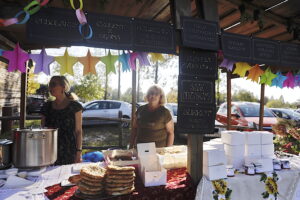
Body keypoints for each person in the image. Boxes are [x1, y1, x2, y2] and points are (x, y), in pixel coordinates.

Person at [41, 76, 83, 165]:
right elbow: (42, 131)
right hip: (49, 151)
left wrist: (79, 152)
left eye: (53, 84)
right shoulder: (46, 107)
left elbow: (78, 131)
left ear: (63, 87)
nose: (50, 87)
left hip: (69, 152)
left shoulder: (75, 107)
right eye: (49, 85)